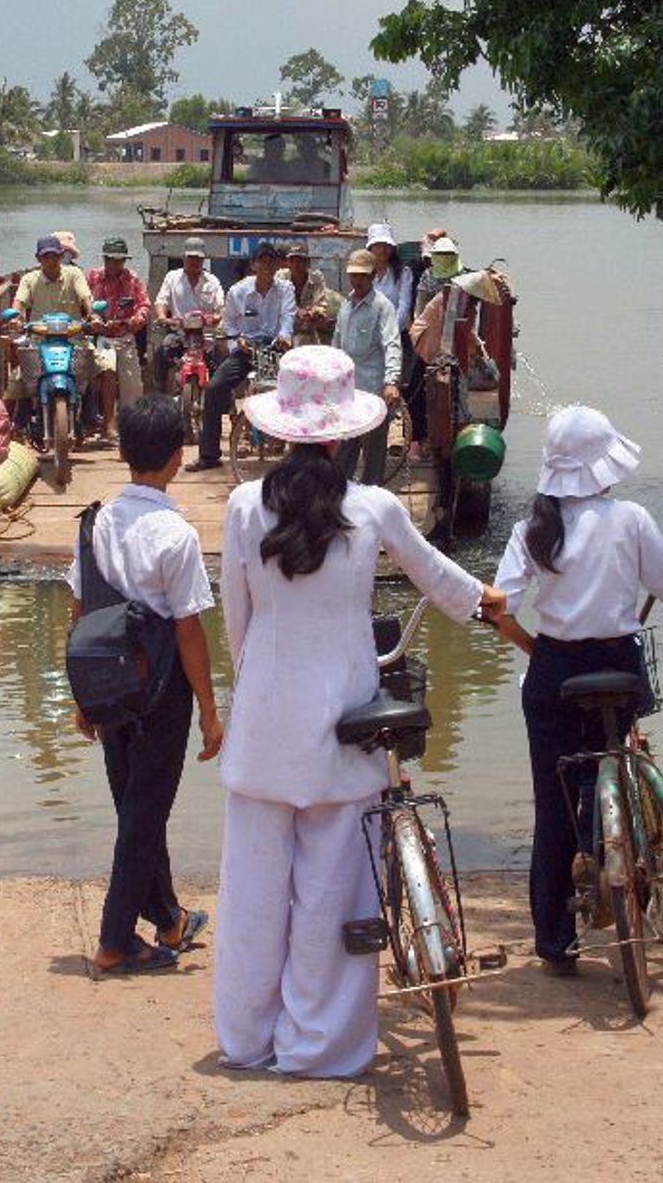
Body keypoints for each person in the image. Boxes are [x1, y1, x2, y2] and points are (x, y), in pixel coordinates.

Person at [214, 345, 504, 1074]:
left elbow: (236, 623)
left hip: (262, 727)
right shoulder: (371, 507)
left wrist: (258, 686)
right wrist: (488, 603)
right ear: (345, 434)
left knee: (252, 895)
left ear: (279, 428)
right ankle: (317, 1044)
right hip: (346, 724)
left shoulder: (245, 506)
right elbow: (439, 578)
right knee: (330, 895)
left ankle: (247, 1039)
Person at [493, 405, 663, 976]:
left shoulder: (531, 530)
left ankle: (554, 944)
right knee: (613, 749)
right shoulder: (631, 519)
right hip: (617, 669)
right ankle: (624, 837)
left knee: (553, 806)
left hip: (554, 675)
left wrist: (535, 649)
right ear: (602, 468)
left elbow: (495, 609)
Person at [67, 395, 224, 974]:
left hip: (106, 685)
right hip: (159, 692)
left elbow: (80, 608)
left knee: (136, 806)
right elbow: (189, 632)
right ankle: (116, 939)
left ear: (122, 451)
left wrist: (80, 695)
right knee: (144, 812)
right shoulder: (175, 535)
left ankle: (169, 916)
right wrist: (209, 708)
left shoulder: (95, 522)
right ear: (178, 457)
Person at [185, 242, 295, 473]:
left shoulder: (285, 289)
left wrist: (285, 336)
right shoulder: (238, 291)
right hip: (247, 349)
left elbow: (288, 317)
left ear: (277, 265)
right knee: (215, 388)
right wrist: (238, 341)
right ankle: (209, 454)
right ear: (254, 264)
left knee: (296, 388)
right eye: (262, 261)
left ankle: (298, 451)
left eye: (271, 261)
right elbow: (230, 324)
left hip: (276, 349)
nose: (267, 265)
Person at [11, 236, 95, 439]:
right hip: (39, 340)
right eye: (46, 256)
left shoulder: (74, 274)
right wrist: (16, 318)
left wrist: (92, 314)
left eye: (55, 255)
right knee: (20, 380)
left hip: (73, 339)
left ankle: (90, 416)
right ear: (38, 258)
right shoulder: (30, 279)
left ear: (62, 256)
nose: (51, 260)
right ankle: (18, 425)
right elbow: (19, 303)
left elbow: (85, 297)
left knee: (93, 369)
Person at [332, 249, 402, 486]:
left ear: (372, 276)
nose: (357, 281)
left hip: (374, 393)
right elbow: (337, 343)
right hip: (348, 393)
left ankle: (371, 500)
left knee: (373, 457)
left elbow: (392, 344)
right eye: (354, 275)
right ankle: (339, 499)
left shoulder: (383, 307)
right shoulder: (345, 306)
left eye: (362, 276)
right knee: (344, 453)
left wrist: (391, 381)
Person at [85, 238, 150, 442]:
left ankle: (131, 426)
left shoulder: (133, 279)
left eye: (119, 261)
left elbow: (144, 306)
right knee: (108, 371)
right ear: (104, 259)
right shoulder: (92, 278)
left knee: (132, 385)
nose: (114, 265)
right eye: (111, 260)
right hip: (101, 336)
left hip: (125, 335)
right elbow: (83, 303)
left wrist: (134, 320)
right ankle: (108, 423)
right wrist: (93, 319)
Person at [152, 237, 225, 390]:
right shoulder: (172, 278)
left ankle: (226, 402)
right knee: (162, 352)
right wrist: (162, 317)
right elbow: (161, 301)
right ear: (183, 257)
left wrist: (217, 317)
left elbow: (221, 308)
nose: (195, 261)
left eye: (198, 258)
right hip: (180, 334)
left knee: (224, 359)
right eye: (191, 257)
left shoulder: (213, 281)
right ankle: (159, 394)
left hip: (207, 336)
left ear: (204, 259)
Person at [276, 242, 330, 346]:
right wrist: (297, 311)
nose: (296, 265)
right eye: (292, 261)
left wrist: (313, 312)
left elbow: (321, 303)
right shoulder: (280, 276)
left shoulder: (316, 277)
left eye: (300, 261)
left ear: (307, 263)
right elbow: (278, 304)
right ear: (287, 262)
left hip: (308, 330)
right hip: (284, 329)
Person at [365, 221, 414, 335]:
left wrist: (390, 330)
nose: (383, 250)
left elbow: (404, 306)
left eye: (387, 246)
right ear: (370, 248)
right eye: (378, 246)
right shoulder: (364, 273)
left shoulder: (403, 273)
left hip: (395, 331)